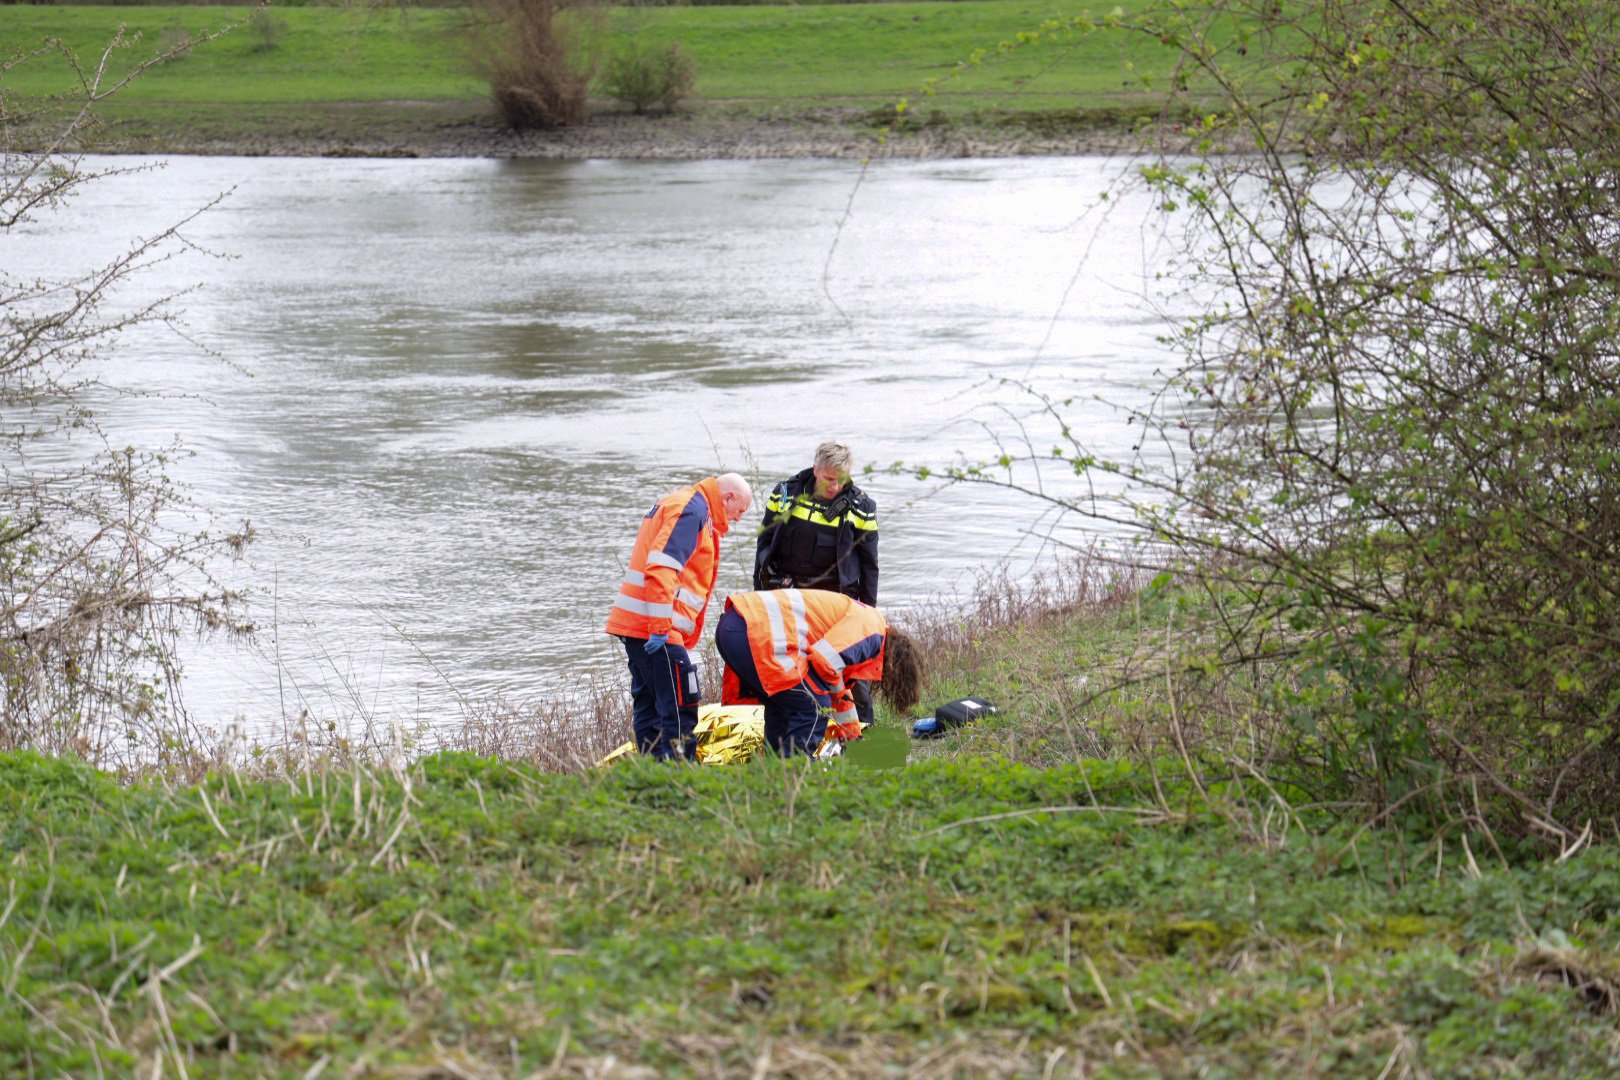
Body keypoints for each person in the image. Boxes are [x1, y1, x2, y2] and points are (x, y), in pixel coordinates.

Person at [605, 472, 753, 761]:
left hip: (640, 628)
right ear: (728, 497)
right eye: (740, 511)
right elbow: (662, 568)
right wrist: (661, 630)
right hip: (657, 630)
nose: (738, 519)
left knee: (651, 710)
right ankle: (677, 781)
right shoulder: (692, 510)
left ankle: (652, 778)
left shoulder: (687, 505)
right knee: (680, 707)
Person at [753, 442, 880, 725]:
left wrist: (868, 613)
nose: (834, 486)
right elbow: (764, 543)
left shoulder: (862, 507)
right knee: (783, 666)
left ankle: (865, 735)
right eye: (828, 479)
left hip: (836, 598)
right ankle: (791, 727)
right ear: (816, 470)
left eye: (841, 480)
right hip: (789, 594)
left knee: (849, 671)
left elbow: (870, 565)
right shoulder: (786, 493)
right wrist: (759, 593)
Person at [714, 588, 922, 757]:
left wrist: (854, 739)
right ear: (895, 666)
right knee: (814, 706)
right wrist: (835, 692)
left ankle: (771, 772)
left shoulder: (867, 623)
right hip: (751, 632)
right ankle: (795, 773)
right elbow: (825, 662)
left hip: (735, 626)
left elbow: (839, 693)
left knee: (784, 708)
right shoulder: (872, 632)